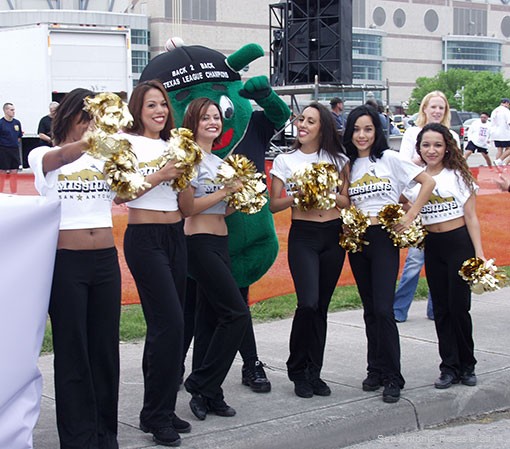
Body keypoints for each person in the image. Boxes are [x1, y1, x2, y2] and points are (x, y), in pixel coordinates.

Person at [28, 88, 121, 448]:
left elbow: (126, 193)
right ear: (68, 117)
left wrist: (160, 172)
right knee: (72, 350)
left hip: (106, 261)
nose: (92, 125)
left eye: (96, 119)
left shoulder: (105, 156)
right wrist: (97, 139)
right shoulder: (43, 154)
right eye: (86, 118)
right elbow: (62, 156)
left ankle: (105, 433)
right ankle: (78, 438)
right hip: (66, 263)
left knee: (104, 350)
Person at [343, 105, 435, 403]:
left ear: (377, 131)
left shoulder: (390, 159)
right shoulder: (347, 165)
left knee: (384, 309)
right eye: (356, 129)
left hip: (384, 238)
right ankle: (376, 369)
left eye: (368, 129)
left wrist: (410, 216)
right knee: (370, 309)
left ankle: (394, 375)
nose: (362, 135)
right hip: (359, 241)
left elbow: (428, 182)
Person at [120, 80, 191, 447]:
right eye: (151, 105)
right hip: (145, 240)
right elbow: (121, 193)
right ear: (138, 109)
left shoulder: (174, 145)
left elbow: (185, 202)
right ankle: (156, 414)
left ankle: (161, 408)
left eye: (163, 104)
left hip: (176, 235)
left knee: (167, 328)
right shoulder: (127, 143)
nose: (160, 111)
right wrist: (162, 174)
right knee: (170, 324)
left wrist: (188, 172)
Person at [269, 102, 350, 398]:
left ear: (322, 128)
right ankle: (297, 369)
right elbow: (273, 204)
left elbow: (346, 201)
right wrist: (298, 195)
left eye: (310, 121)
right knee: (308, 303)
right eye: (301, 119)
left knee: (321, 308)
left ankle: (314, 372)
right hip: (303, 236)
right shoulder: (284, 160)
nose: (302, 125)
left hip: (333, 235)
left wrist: (329, 193)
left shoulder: (339, 159)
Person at [179, 97, 250, 421]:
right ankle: (200, 382)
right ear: (193, 122)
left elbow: (225, 209)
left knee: (210, 318)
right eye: (205, 117)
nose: (213, 122)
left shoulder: (219, 162)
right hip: (199, 243)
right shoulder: (189, 159)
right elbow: (187, 208)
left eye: (216, 117)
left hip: (221, 242)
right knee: (236, 313)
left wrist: (243, 195)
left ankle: (209, 394)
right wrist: (225, 190)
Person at [403, 123, 485, 389]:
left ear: (447, 147)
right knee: (441, 308)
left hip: (459, 244)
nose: (432, 150)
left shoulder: (458, 176)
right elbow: (404, 205)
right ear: (419, 149)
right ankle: (448, 367)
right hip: (433, 245)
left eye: (437, 145)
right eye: (426, 145)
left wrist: (479, 253)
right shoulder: (416, 179)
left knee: (459, 307)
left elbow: (471, 217)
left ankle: (467, 365)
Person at [393, 91, 461, 323]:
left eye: (441, 108)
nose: (437, 111)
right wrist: (422, 158)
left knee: (440, 261)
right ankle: (399, 309)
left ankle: (435, 308)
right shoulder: (412, 133)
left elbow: (456, 166)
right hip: (416, 201)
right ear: (424, 109)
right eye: (433, 107)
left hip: (444, 205)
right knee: (414, 260)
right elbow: (402, 166)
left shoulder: (452, 135)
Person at [0, 102, 23, 193]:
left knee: (14, 171)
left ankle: (14, 192)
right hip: (3, 150)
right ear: (6, 111)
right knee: (3, 171)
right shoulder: (1, 123)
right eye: (11, 110)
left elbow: (19, 137)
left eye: (14, 110)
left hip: (14, 149)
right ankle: (1, 192)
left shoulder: (17, 123)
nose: (14, 112)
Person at [491, 98, 510, 166]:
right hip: (504, 133)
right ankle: (499, 160)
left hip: (495, 133)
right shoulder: (506, 111)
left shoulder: (495, 110)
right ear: (507, 103)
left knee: (500, 149)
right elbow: (509, 122)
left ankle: (497, 164)